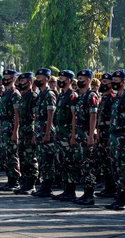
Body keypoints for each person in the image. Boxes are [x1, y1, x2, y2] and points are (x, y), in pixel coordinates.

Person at [106, 69, 125, 211]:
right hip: (114, 138)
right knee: (116, 168)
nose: (114, 83)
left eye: (117, 81)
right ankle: (119, 197)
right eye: (113, 80)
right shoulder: (117, 97)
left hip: (124, 137)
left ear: (124, 81)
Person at [71, 69, 99, 206]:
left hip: (88, 133)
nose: (79, 80)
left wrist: (91, 136)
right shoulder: (79, 96)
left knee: (89, 164)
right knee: (82, 164)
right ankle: (84, 193)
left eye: (82, 78)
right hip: (80, 133)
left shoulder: (91, 95)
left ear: (89, 80)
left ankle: (89, 194)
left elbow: (93, 116)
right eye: (79, 78)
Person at [51, 70, 77, 201]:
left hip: (67, 132)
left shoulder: (72, 96)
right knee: (61, 161)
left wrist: (73, 135)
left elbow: (74, 118)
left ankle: (71, 190)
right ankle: (66, 189)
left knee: (69, 161)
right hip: (60, 131)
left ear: (70, 81)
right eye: (60, 78)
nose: (60, 80)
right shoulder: (61, 95)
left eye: (63, 78)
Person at [32, 68, 57, 198]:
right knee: (41, 158)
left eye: (40, 77)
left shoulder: (49, 94)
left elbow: (50, 114)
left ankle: (47, 186)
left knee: (48, 159)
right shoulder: (40, 94)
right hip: (39, 129)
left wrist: (47, 133)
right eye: (37, 77)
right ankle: (43, 185)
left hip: (46, 129)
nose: (38, 79)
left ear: (47, 79)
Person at [14, 72, 39, 195]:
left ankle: (31, 184)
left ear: (29, 82)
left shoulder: (33, 96)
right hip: (23, 130)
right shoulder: (23, 96)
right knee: (23, 157)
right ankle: (24, 183)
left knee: (30, 158)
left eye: (22, 81)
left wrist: (34, 133)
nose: (20, 84)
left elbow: (35, 117)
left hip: (30, 130)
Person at [0, 69, 22, 191]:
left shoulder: (15, 94)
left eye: (7, 77)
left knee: (12, 154)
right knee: (5, 154)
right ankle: (9, 179)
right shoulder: (5, 93)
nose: (5, 79)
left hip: (11, 126)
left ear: (13, 79)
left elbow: (17, 114)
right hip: (4, 126)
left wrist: (15, 131)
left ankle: (14, 181)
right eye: (4, 76)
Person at [94, 73, 117, 198]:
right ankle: (108, 187)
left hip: (109, 132)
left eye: (106, 82)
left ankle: (112, 188)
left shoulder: (113, 97)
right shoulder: (103, 97)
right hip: (102, 132)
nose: (103, 84)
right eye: (102, 81)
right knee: (104, 160)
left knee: (110, 160)